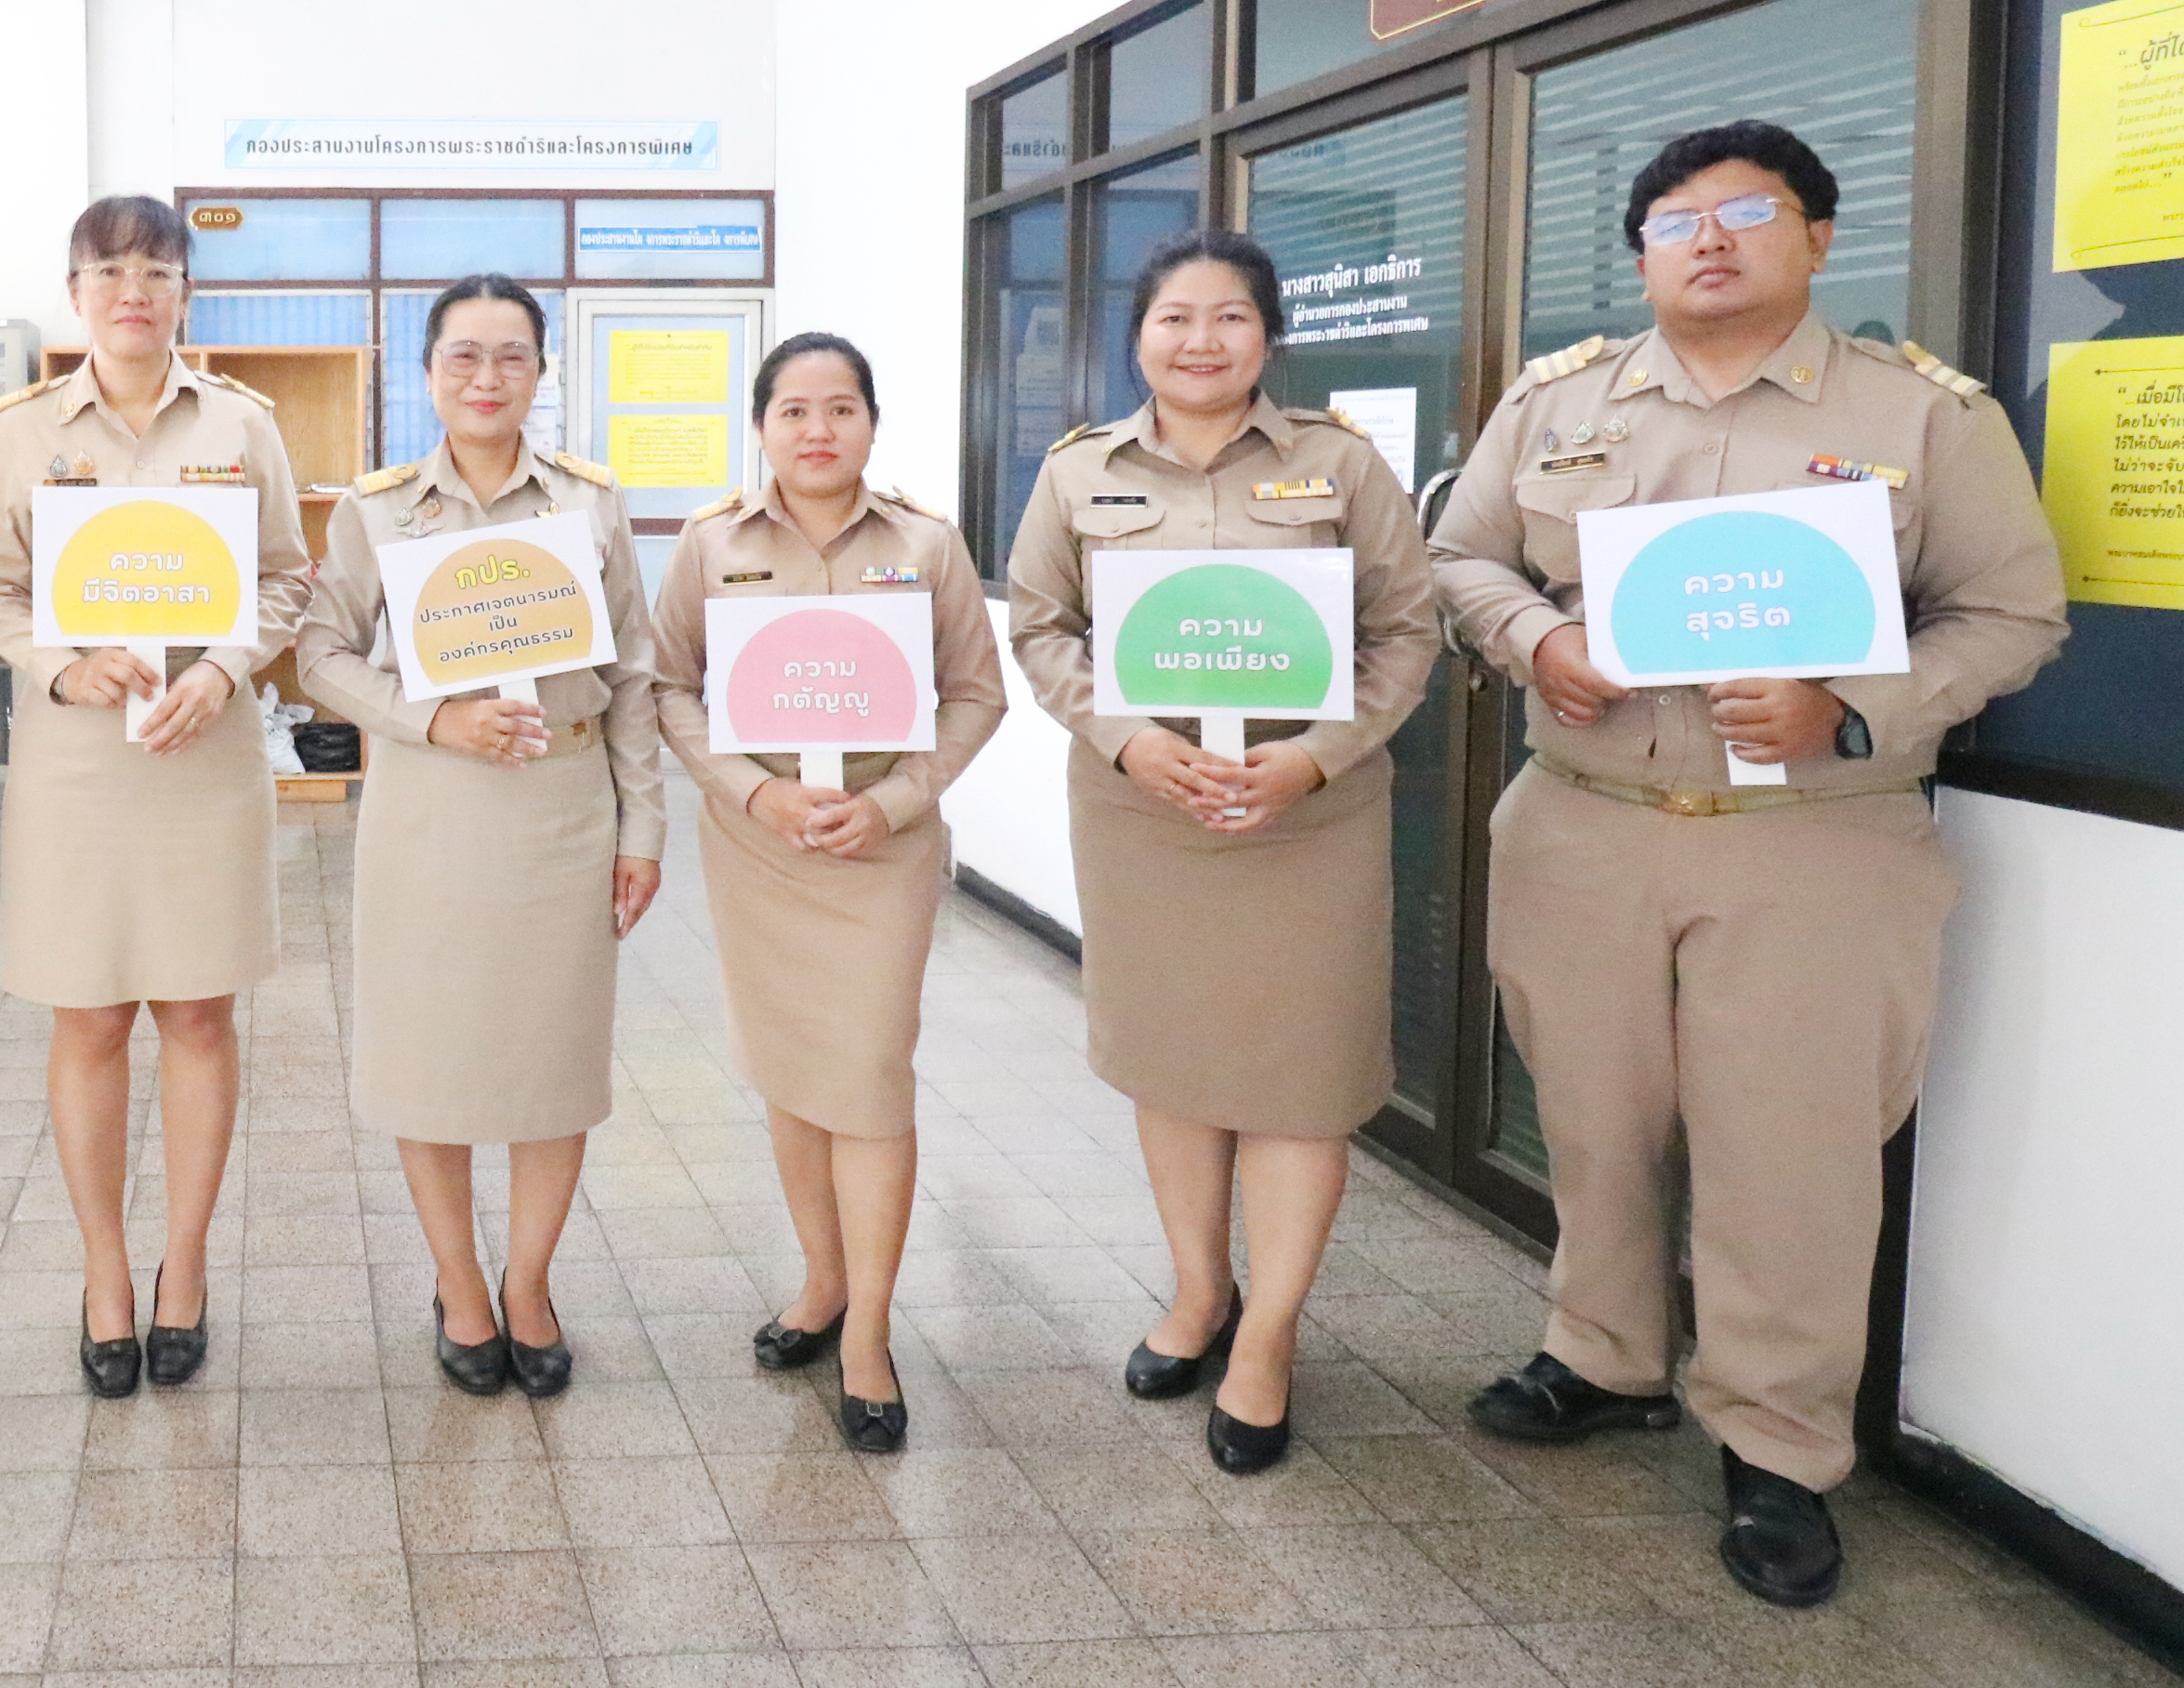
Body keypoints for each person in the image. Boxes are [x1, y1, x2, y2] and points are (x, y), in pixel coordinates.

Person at [1431, 118, 2066, 1606]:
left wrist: (1848, 704)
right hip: (1584, 822)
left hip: (1816, 842)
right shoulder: (1559, 402)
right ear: (1643, 255)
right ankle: (1605, 1356)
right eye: (1675, 222)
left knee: (1792, 1153)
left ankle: (1778, 1446)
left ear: (1818, 239)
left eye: (1749, 213)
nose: (1708, 240)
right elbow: (1461, 558)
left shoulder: (1925, 417)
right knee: (1593, 1120)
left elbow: (2013, 615)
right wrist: (1538, 640)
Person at [1005, 232, 1438, 1476]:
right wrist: (1129, 739)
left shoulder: (1340, 465)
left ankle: (1271, 1335)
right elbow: (1041, 627)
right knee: (1176, 1061)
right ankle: (1201, 1293)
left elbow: (1406, 632)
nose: (1201, 340)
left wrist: (1317, 757)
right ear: (1137, 336)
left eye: (1231, 317)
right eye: (1175, 317)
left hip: (1308, 820)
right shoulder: (1081, 471)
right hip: (1146, 815)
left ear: (1268, 335)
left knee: (1302, 1075)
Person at [0, 196, 310, 1395]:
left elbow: (286, 578)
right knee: (92, 1019)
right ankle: (105, 1270)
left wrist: (225, 668)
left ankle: (185, 1263)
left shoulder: (243, 423)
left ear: (185, 293)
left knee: (200, 1015)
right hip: (79, 766)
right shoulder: (24, 433)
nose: (133, 293)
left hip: (203, 756)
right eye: (109, 272)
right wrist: (62, 665)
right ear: (75, 293)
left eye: (157, 272)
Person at [297, 278, 663, 1397]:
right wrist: (433, 717)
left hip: (562, 810)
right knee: (433, 1059)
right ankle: (459, 1285)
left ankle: (530, 1283)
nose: (487, 376)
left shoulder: (590, 503)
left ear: (541, 371)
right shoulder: (379, 509)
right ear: (428, 373)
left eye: (512, 355)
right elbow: (319, 655)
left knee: (553, 1057)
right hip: (431, 815)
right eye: (463, 355)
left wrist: (643, 828)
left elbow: (635, 675)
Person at [651, 334, 1007, 1452]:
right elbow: (669, 686)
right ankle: (822, 1281)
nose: (818, 429)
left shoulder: (926, 543)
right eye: (794, 409)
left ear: (871, 423)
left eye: (841, 407)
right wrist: (752, 793)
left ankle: (871, 1332)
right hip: (758, 848)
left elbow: (976, 694)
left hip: (878, 854)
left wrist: (894, 803)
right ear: (761, 424)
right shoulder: (711, 542)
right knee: (791, 1071)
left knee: (868, 1074)